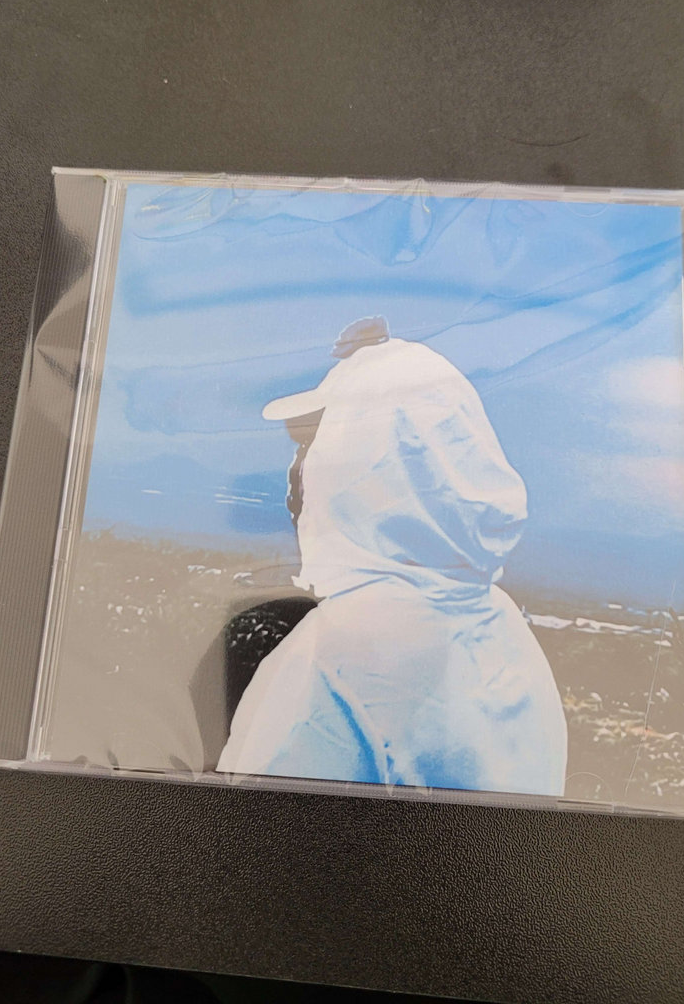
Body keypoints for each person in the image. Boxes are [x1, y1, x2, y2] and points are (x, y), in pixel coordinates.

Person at [217, 317, 567, 796]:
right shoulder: (503, 627)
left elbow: (246, 833)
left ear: (363, 466)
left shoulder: (332, 659)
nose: (298, 472)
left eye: (315, 446)